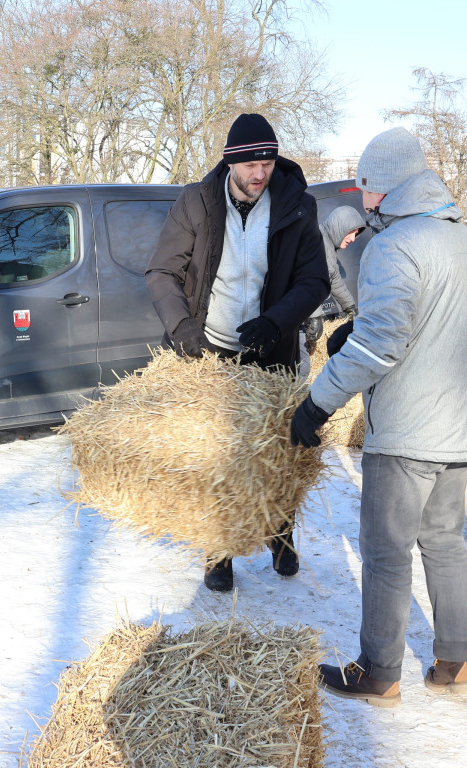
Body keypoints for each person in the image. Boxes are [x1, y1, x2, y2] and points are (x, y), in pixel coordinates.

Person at [290, 126, 467, 707]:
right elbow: (425, 322)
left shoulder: (396, 246)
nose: (362, 200)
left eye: (365, 188)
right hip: (458, 430)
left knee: (386, 552)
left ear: (385, 187)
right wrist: (355, 331)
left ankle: (379, 672)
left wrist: (317, 403)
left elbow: (382, 345)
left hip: (407, 433)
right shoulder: (459, 236)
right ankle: (456, 662)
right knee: (446, 542)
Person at [145, 112, 330, 592]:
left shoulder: (297, 205)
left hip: (272, 349)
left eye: (267, 162)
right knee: (217, 454)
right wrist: (184, 328)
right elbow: (162, 272)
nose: (260, 172)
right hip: (211, 352)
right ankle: (218, 551)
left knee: (278, 450)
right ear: (230, 163)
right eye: (250, 163)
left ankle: (281, 536)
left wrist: (276, 321)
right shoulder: (197, 202)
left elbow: (315, 280)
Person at [299, 205, 366, 376]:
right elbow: (307, 278)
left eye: (356, 234)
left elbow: (334, 278)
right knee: (302, 367)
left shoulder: (326, 245)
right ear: (340, 227)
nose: (353, 238)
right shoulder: (316, 241)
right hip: (291, 314)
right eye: (351, 232)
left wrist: (350, 306)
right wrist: (315, 316)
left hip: (298, 312)